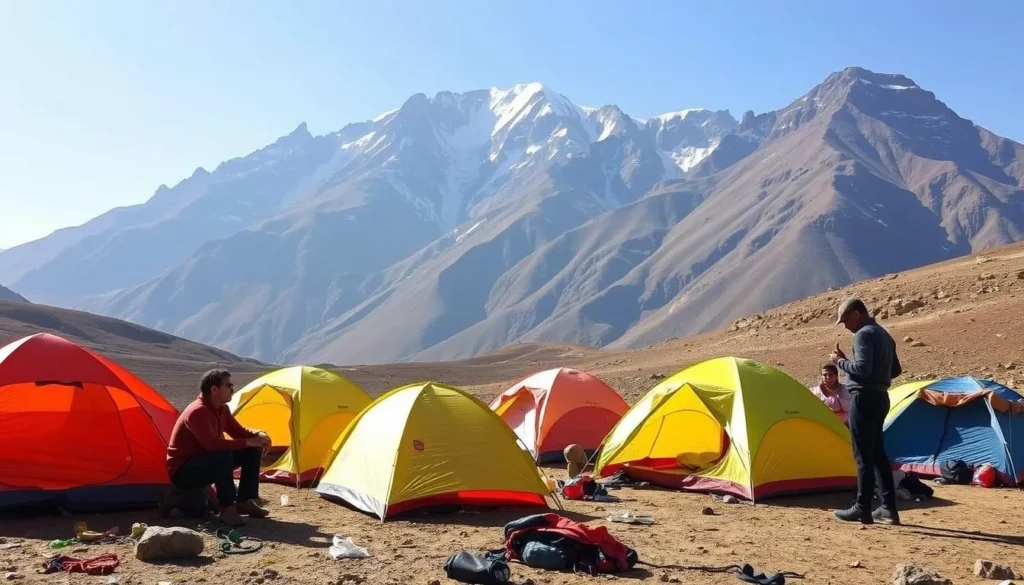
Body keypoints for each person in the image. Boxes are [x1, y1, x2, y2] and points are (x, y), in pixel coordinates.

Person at [829, 297, 902, 525]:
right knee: (878, 453)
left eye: (846, 320)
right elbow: (896, 370)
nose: (846, 326)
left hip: (863, 399)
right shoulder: (884, 334)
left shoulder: (863, 334)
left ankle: (862, 507)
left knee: (863, 456)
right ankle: (888, 508)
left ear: (857, 313)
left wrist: (840, 362)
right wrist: (878, 378)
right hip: (881, 397)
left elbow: (861, 368)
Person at [166, 369, 271, 526]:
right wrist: (250, 441)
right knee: (223, 454)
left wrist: (259, 435)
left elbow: (239, 433)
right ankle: (227, 507)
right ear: (214, 389)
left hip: (207, 463)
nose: (232, 389)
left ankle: (245, 500)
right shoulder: (197, 411)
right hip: (184, 472)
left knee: (250, 449)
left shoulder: (222, 409)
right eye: (228, 385)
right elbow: (211, 445)